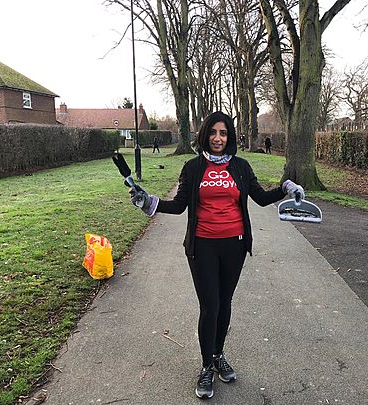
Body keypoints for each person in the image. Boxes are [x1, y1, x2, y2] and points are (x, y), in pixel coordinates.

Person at [129, 111, 304, 399]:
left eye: (223, 133)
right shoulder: (193, 167)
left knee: (224, 303)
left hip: (234, 245)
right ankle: (206, 366)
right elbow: (180, 205)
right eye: (213, 132)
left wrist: (287, 187)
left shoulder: (241, 167)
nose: (218, 138)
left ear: (230, 136)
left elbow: (260, 198)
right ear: (205, 135)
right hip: (203, 247)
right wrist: (149, 202)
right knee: (210, 306)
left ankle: (218, 353)